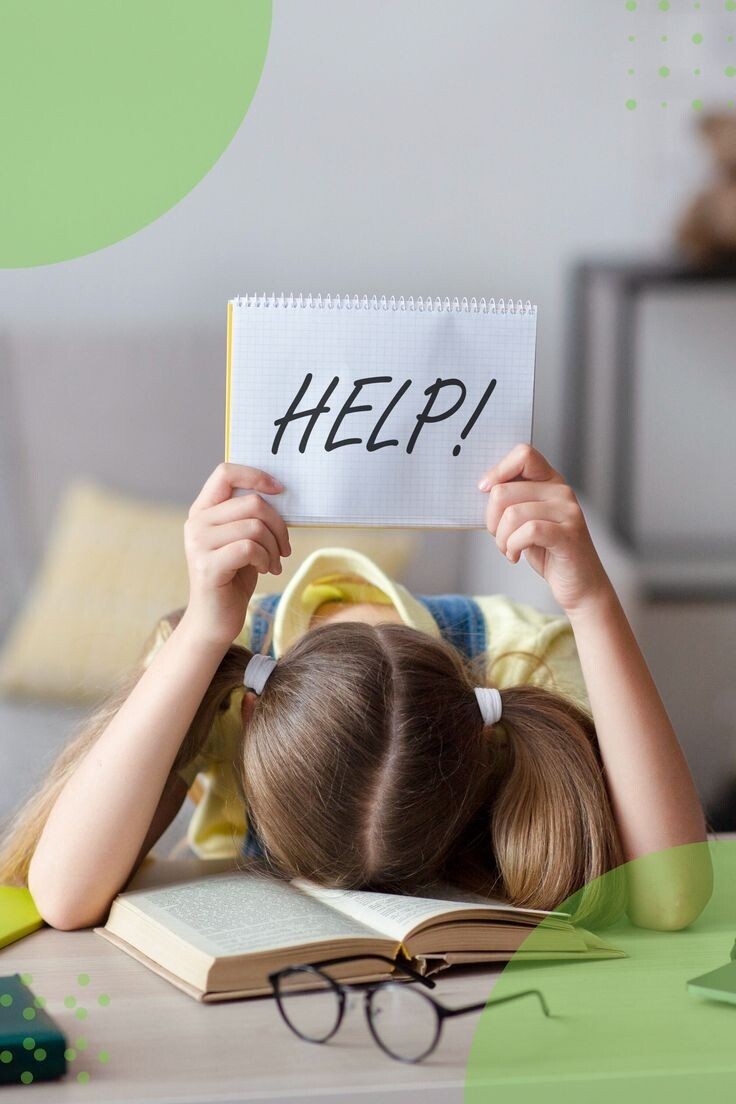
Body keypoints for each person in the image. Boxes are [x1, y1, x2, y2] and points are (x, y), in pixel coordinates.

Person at [0, 445, 711, 931]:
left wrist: (592, 601)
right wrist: (200, 634)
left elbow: (673, 895)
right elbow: (63, 894)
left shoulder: (524, 657)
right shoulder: (214, 666)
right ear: (251, 713)